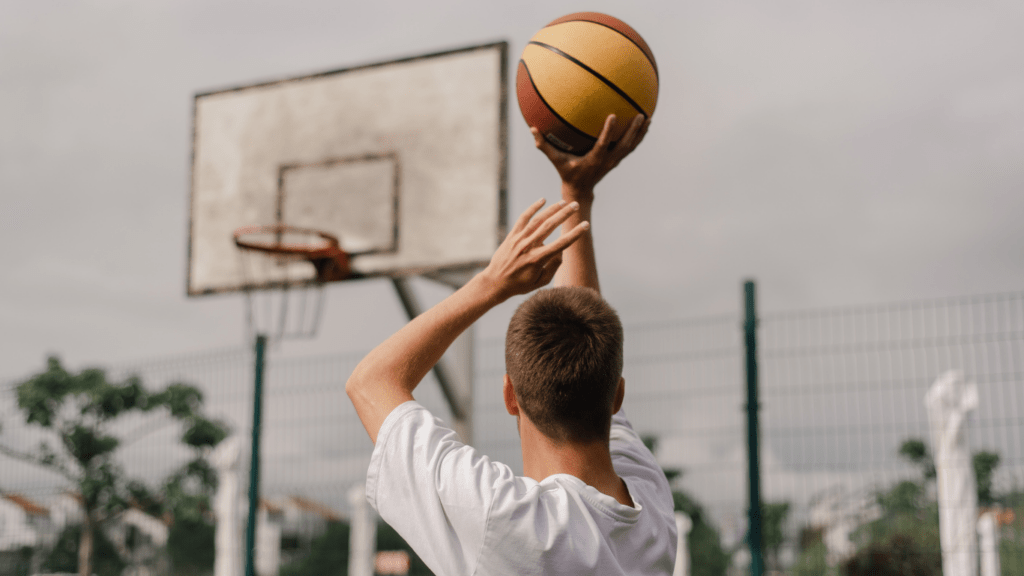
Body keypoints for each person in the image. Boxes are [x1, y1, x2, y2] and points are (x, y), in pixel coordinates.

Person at [346, 114, 677, 575]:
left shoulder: (504, 520)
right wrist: (577, 196)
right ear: (615, 394)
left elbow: (370, 382)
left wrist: (492, 283)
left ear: (510, 396)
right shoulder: (651, 507)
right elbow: (587, 328)